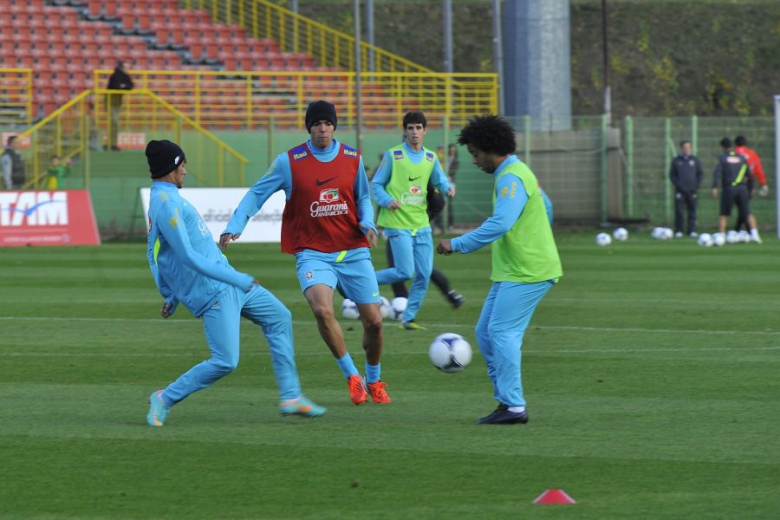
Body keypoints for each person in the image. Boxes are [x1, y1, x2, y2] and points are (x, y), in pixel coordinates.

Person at [220, 101, 391, 405]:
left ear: (334, 126)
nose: (322, 129)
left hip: (353, 250)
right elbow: (257, 192)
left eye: (327, 123)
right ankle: (352, 376)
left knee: (375, 323)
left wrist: (367, 221)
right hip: (313, 253)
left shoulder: (352, 158)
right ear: (309, 128)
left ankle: (374, 379)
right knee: (322, 311)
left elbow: (363, 198)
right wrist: (235, 224)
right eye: (316, 124)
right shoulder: (289, 162)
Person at [144, 139, 325, 427]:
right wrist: (236, 278)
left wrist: (170, 294)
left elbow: (157, 253)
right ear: (171, 168)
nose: (186, 171)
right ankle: (164, 398)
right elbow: (185, 255)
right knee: (225, 361)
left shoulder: (167, 199)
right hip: (215, 290)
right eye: (183, 165)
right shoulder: (165, 203)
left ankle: (291, 396)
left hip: (228, 282)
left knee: (279, 317)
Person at [436, 115, 562, 425]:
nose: (475, 161)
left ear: (491, 149)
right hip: (514, 269)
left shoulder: (511, 178)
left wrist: (457, 244)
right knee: (486, 332)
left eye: (476, 154)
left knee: (502, 333)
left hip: (527, 270)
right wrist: (535, 235)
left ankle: (514, 406)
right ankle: (506, 401)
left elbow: (501, 223)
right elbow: (546, 206)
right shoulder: (518, 172)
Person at [372, 110, 454, 331]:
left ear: (425, 131)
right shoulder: (393, 156)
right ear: (405, 131)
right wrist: (387, 200)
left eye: (418, 128)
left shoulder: (430, 158)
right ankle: (362, 280)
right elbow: (376, 184)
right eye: (410, 128)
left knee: (424, 274)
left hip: (422, 224)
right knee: (404, 272)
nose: (415, 132)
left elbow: (439, 179)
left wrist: (447, 187)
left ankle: (408, 319)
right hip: (398, 223)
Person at [386, 178, 465, 309]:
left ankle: (401, 303)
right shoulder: (413, 176)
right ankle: (450, 295)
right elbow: (439, 202)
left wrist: (423, 219)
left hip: (404, 229)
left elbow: (439, 201)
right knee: (422, 267)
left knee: (397, 267)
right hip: (408, 228)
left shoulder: (419, 177)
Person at [711, 137, 759, 243]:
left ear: (722, 147)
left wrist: (714, 187)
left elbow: (717, 174)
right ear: (732, 146)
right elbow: (749, 175)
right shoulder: (742, 158)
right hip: (742, 188)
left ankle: (721, 236)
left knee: (723, 214)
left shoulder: (722, 159)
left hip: (729, 188)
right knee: (747, 212)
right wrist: (751, 188)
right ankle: (755, 235)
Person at [669, 140, 703, 238]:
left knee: (692, 211)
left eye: (688, 147)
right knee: (679, 211)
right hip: (680, 190)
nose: (686, 149)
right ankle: (679, 230)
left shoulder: (695, 160)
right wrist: (678, 185)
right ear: (681, 148)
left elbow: (700, 174)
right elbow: (672, 175)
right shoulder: (676, 160)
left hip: (692, 190)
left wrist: (695, 185)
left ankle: (692, 230)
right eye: (685, 148)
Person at [734, 135, 768, 233]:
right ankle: (744, 230)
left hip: (735, 183)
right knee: (744, 207)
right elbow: (758, 170)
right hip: (749, 184)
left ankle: (742, 230)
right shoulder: (752, 154)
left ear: (735, 144)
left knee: (743, 208)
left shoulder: (734, 153)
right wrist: (763, 183)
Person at [106, 61, 133, 151]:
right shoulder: (116, 75)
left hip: (116, 102)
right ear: (122, 68)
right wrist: (123, 86)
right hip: (111, 102)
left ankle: (111, 143)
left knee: (114, 124)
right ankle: (110, 143)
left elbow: (131, 86)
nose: (128, 69)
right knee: (114, 123)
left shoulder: (125, 76)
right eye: (126, 67)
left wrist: (123, 86)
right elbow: (116, 86)